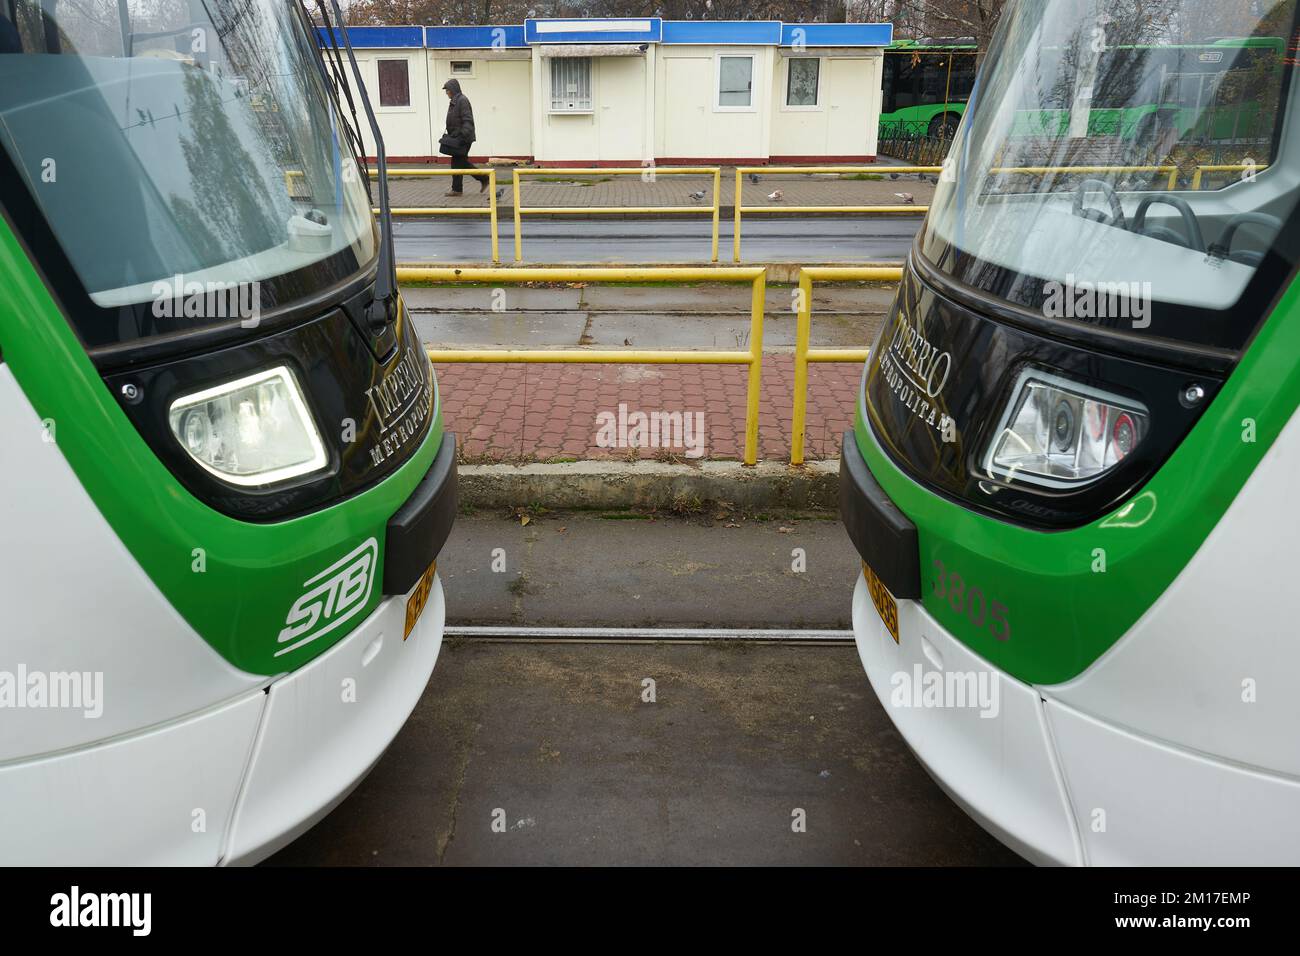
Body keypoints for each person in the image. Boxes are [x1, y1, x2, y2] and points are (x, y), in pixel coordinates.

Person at [441, 78, 489, 195]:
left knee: (460, 162)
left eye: (447, 90)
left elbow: (467, 119)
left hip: (463, 138)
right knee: (458, 162)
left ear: (453, 89)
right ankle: (458, 188)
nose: (446, 92)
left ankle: (483, 179)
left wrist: (462, 135)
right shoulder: (455, 101)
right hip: (458, 137)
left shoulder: (462, 100)